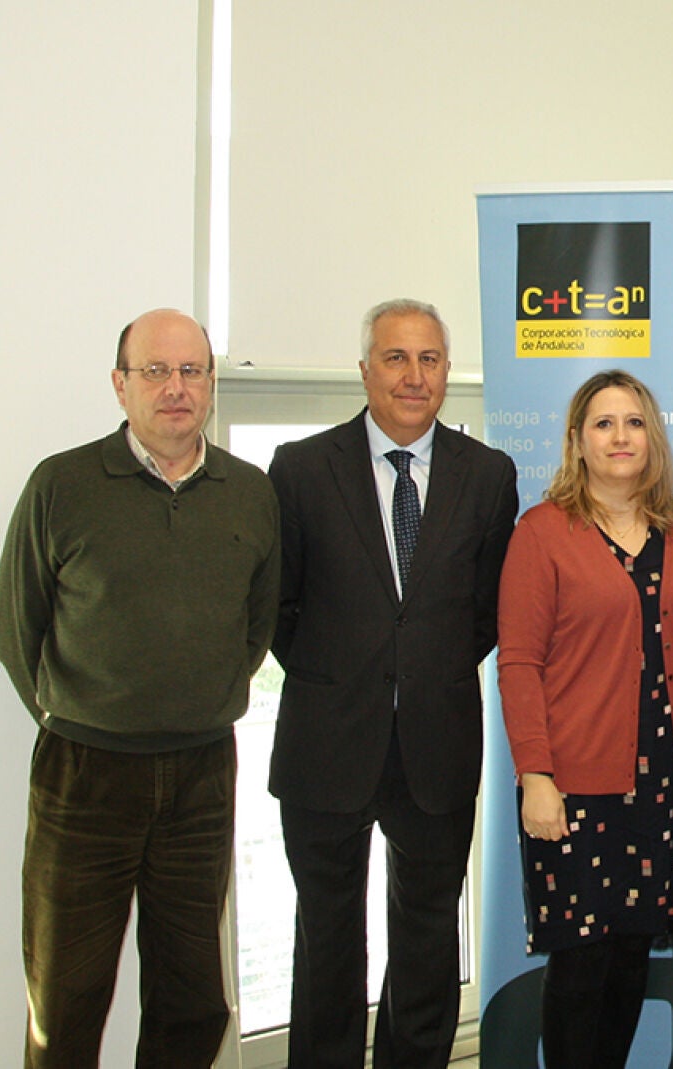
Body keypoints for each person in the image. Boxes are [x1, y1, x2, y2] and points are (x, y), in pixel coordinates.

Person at [0, 308, 280, 1068]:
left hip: (202, 773)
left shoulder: (250, 492)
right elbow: (15, 628)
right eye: (155, 371)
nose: (175, 388)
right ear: (120, 385)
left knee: (192, 997)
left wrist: (201, 696)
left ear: (210, 384)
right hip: (85, 776)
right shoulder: (62, 484)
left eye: (191, 371)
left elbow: (257, 624)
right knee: (66, 997)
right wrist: (81, 712)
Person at [266, 299, 518, 1068]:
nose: (414, 375)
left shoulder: (488, 474)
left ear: (447, 370)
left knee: (428, 941)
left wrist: (420, 673)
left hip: (436, 743)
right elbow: (278, 607)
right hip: (327, 742)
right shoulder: (301, 468)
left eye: (429, 359)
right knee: (327, 940)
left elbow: (486, 611)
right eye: (397, 357)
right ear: (365, 369)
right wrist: (346, 675)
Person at [496, 370, 673, 1067]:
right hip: (576, 784)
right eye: (603, 423)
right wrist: (535, 775)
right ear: (578, 440)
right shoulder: (542, 532)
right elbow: (519, 663)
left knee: (632, 952)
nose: (620, 436)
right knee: (580, 962)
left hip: (667, 779)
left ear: (652, 437)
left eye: (634, 422)